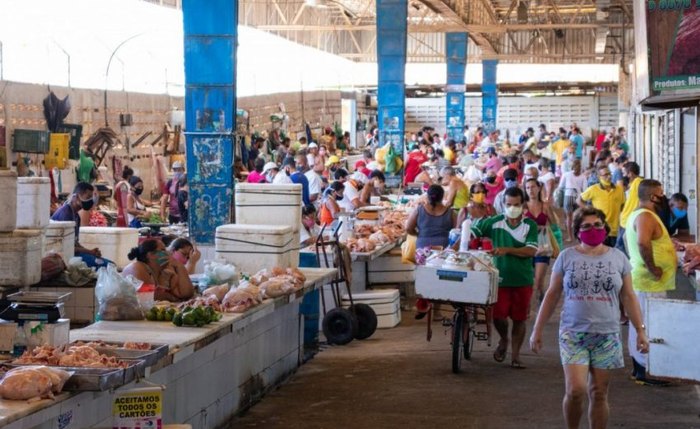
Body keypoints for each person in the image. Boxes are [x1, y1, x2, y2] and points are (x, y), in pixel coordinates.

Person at [530, 207, 649, 429]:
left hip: (607, 334)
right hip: (573, 333)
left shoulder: (619, 258)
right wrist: (537, 329)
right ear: (577, 231)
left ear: (605, 228)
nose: (593, 229)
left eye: (597, 225)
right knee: (575, 390)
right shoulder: (567, 257)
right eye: (586, 226)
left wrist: (640, 330)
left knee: (599, 392)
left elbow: (629, 296)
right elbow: (552, 294)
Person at [472, 187, 538, 369]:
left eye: (516, 205)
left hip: (523, 279)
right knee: (498, 317)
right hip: (499, 279)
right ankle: (503, 339)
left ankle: (516, 356)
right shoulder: (494, 222)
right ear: (503, 204)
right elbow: (472, 232)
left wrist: (507, 250)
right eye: (509, 204)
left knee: (520, 319)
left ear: (522, 204)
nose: (512, 208)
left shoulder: (529, 225)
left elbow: (531, 250)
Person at [625, 179, 677, 386]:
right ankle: (646, 369)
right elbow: (642, 243)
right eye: (661, 193)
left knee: (640, 324)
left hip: (646, 282)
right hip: (649, 283)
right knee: (647, 326)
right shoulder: (645, 216)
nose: (663, 197)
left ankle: (640, 368)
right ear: (652, 196)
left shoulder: (639, 215)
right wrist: (653, 268)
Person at [51, 182, 112, 268]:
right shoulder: (65, 213)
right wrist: (89, 252)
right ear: (76, 197)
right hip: (62, 256)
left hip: (73, 253)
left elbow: (75, 243)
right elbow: (65, 247)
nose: (90, 201)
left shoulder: (76, 216)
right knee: (107, 266)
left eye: (91, 198)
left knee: (109, 264)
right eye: (87, 197)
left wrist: (91, 251)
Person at [123, 239, 195, 302]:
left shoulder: (166, 272)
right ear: (150, 254)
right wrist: (170, 297)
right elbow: (147, 296)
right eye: (163, 250)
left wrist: (179, 266)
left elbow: (186, 294)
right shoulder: (137, 267)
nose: (168, 253)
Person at [524, 178, 557, 304]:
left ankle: (540, 304)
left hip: (543, 246)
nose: (530, 190)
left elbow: (554, 224)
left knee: (538, 281)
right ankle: (538, 298)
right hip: (527, 247)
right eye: (527, 188)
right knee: (529, 280)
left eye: (533, 187)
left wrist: (548, 223)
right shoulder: (523, 206)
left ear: (538, 188)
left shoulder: (545, 206)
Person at [578, 166, 624, 247]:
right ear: (599, 177)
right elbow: (579, 200)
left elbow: (623, 206)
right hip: (600, 228)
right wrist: (589, 210)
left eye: (610, 174)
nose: (609, 176)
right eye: (605, 175)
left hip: (615, 230)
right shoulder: (593, 189)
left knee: (613, 254)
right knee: (599, 252)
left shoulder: (619, 189)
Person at [406, 184, 456, 249]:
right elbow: (456, 231)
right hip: (443, 248)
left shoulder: (418, 210)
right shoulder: (451, 212)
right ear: (442, 196)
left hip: (422, 248)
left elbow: (408, 228)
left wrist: (418, 234)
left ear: (427, 196)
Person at [615, 162, 642, 255]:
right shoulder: (632, 184)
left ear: (630, 173)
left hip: (629, 219)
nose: (622, 175)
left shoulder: (638, 182)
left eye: (624, 173)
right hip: (625, 219)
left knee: (620, 246)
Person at [557, 159, 587, 242]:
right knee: (579, 218)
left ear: (572, 166)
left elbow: (560, 187)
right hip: (578, 198)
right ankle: (580, 236)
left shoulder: (566, 174)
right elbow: (585, 189)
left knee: (569, 218)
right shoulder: (583, 176)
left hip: (568, 196)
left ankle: (570, 237)